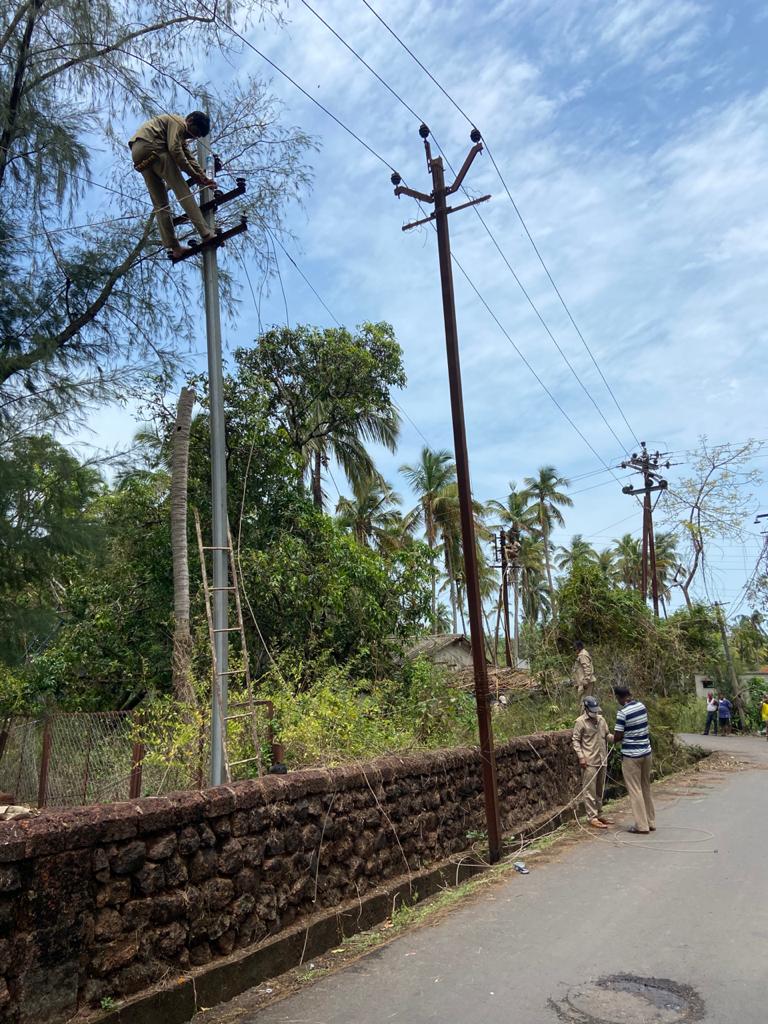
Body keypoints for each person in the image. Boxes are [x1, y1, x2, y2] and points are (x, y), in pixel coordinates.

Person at [129, 110, 218, 259]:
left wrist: (203, 177)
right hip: (154, 147)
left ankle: (174, 247)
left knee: (161, 205)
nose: (191, 136)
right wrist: (195, 176)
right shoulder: (179, 122)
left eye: (195, 137)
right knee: (183, 191)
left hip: (139, 154)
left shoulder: (178, 132)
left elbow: (188, 156)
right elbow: (174, 150)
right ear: (189, 120)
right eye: (194, 132)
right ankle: (205, 233)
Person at [613, 686, 655, 834]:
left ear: (619, 697)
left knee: (635, 790)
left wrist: (611, 738)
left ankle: (641, 826)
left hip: (632, 756)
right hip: (646, 753)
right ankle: (650, 821)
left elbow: (618, 736)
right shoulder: (641, 706)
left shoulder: (622, 713)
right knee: (645, 787)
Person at [572, 696, 614, 829]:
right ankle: (592, 817)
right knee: (589, 790)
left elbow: (607, 735)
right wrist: (581, 757)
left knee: (599, 789)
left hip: (602, 759)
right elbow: (575, 740)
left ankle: (599, 813)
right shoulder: (580, 722)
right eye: (592, 710)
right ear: (586, 708)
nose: (595, 713)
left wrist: (616, 737)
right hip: (589, 761)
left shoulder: (601, 720)